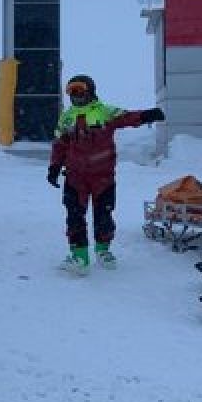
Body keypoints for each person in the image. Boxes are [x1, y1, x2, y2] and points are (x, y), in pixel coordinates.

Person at [48, 74, 164, 275]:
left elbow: (127, 117)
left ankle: (103, 251)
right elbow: (60, 145)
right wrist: (54, 168)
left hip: (103, 176)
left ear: (90, 91)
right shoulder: (67, 117)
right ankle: (80, 256)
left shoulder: (104, 111)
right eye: (72, 92)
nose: (76, 96)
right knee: (74, 215)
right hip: (75, 177)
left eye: (80, 91)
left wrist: (146, 115)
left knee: (104, 214)